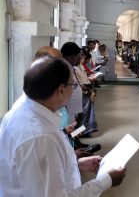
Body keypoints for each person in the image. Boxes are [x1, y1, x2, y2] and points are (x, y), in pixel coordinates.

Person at [0, 56, 126, 196]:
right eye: (73, 85)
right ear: (61, 91)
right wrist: (106, 180)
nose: (74, 90)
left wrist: (74, 164)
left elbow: (37, 173)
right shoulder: (41, 138)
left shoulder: (24, 110)